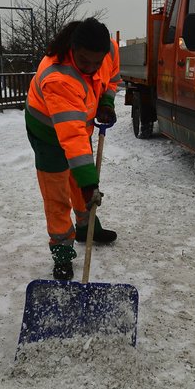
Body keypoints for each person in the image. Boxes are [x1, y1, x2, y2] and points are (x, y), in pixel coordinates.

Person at [25, 17, 121, 281]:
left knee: (80, 181)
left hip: (79, 126)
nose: (90, 68)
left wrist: (107, 102)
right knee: (58, 193)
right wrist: (91, 183)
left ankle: (87, 228)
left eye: (95, 62)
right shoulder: (59, 78)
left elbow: (112, 77)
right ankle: (62, 254)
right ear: (72, 49)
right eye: (84, 61)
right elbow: (72, 138)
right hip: (48, 134)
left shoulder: (108, 49)